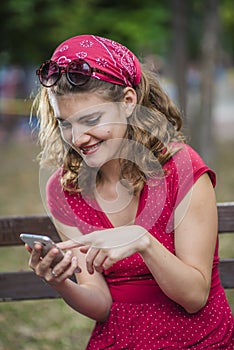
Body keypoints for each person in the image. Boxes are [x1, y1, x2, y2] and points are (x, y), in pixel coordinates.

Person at [27, 34, 234, 349]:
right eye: (65, 124)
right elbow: (101, 304)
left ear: (127, 102)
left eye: (91, 119)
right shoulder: (63, 189)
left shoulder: (180, 168)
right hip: (120, 338)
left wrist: (144, 242)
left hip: (196, 338)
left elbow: (194, 296)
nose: (78, 138)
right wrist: (60, 282)